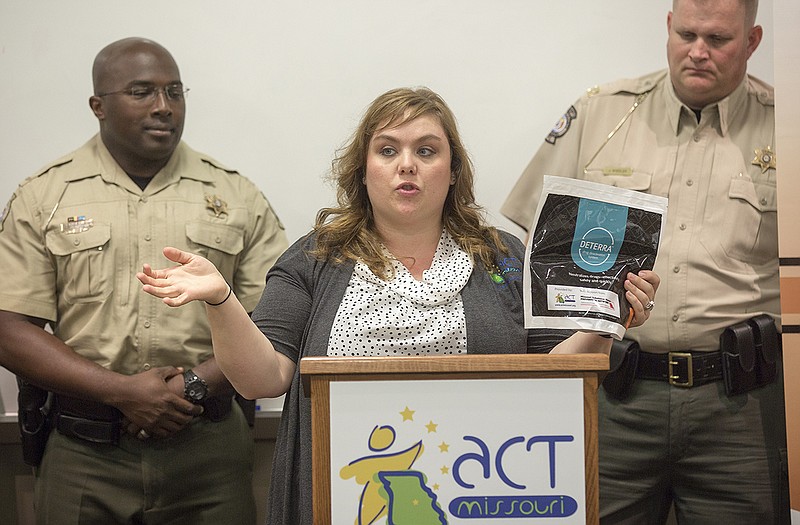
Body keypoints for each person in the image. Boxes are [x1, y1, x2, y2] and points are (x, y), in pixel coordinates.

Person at [137, 86, 660, 524]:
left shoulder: (505, 258)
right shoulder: (316, 257)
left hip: (480, 496)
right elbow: (261, 379)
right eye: (387, 150)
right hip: (344, 499)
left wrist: (605, 319)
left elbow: (558, 378)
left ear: (453, 170)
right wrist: (222, 300)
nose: (406, 165)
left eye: (427, 151)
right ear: (362, 171)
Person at [501, 0, 787, 523]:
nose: (698, 51)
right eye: (687, 33)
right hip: (616, 395)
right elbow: (532, 243)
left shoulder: (785, 127)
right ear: (668, 28)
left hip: (740, 408)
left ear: (752, 42)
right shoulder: (603, 114)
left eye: (718, 40)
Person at [0, 37, 289, 523]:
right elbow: (9, 328)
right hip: (85, 456)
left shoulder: (236, 195)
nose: (163, 107)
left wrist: (194, 385)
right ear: (98, 106)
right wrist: (121, 391)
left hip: (209, 453)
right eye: (142, 92)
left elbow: (277, 324)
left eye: (175, 92)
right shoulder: (44, 196)